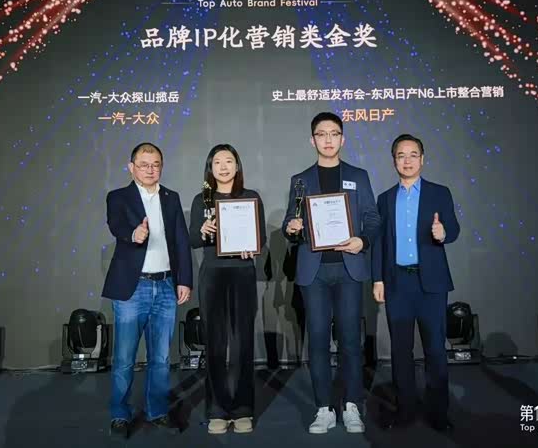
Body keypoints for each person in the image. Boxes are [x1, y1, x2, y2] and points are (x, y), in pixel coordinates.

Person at [282, 112, 381, 434]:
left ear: (343, 139)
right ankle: (323, 407)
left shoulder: (358, 176)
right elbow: (290, 223)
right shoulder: (300, 180)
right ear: (312, 140)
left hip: (349, 268)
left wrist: (363, 240)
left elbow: (372, 218)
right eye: (321, 134)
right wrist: (291, 228)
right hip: (314, 272)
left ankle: (352, 405)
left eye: (334, 133)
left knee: (351, 341)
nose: (328, 139)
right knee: (318, 341)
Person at [102, 142, 192, 439]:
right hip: (133, 287)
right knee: (124, 358)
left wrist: (184, 280)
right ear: (131, 167)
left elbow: (181, 240)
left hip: (165, 286)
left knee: (161, 359)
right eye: (143, 164)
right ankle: (119, 414)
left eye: (156, 164)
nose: (150, 170)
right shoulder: (118, 197)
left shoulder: (171, 197)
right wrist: (133, 233)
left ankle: (158, 411)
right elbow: (116, 224)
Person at [372, 134, 460, 432]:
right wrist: (378, 278)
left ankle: (438, 412)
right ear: (394, 161)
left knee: (435, 349)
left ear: (422, 159)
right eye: (401, 155)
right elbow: (379, 243)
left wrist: (442, 233)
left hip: (431, 283)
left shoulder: (439, 193)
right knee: (401, 351)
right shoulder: (385, 199)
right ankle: (405, 410)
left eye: (413, 155)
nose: (407, 160)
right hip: (398, 283)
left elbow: (454, 228)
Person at [189, 144, 267, 435]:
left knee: (242, 342)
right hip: (213, 275)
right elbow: (192, 240)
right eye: (217, 162)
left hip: (242, 273)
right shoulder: (202, 200)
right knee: (215, 344)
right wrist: (202, 231)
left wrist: (252, 247)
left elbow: (260, 238)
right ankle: (218, 410)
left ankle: (243, 408)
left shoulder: (250, 197)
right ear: (210, 168)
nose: (223, 167)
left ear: (237, 165)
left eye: (229, 161)